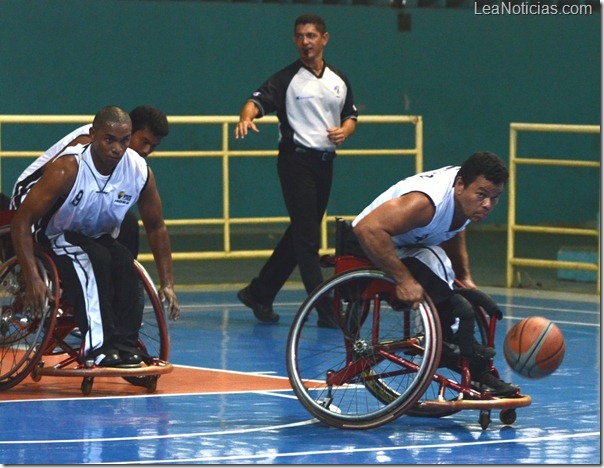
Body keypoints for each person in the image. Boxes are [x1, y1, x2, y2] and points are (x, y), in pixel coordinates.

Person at [11, 105, 179, 368]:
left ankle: (125, 343)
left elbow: (156, 226)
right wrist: (31, 275)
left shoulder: (138, 170)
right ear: (94, 135)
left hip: (87, 226)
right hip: (49, 224)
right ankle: (97, 347)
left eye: (123, 141)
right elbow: (22, 220)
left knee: (123, 260)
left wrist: (167, 282)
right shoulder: (69, 165)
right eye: (109, 140)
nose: (117, 148)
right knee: (93, 258)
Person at [350, 151, 519, 396]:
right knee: (439, 269)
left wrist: (466, 278)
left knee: (455, 284)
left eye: (495, 198)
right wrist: (404, 280)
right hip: (369, 246)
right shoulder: (426, 204)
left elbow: (451, 230)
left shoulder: (467, 201)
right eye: (482, 195)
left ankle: (466, 358)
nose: (488, 204)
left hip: (408, 246)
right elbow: (367, 229)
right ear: (460, 185)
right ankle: (453, 346)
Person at [234, 13, 358, 327]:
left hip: (325, 164)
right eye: (300, 36)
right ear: (295, 41)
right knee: (308, 240)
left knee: (300, 233)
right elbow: (255, 101)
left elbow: (350, 115)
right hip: (295, 162)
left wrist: (345, 130)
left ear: (324, 39)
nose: (306, 42)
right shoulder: (285, 79)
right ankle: (326, 310)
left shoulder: (338, 79)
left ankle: (259, 292)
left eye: (312, 36)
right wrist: (246, 117)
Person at [10, 105, 169, 258]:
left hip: (71, 205)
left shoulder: (132, 165)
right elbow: (51, 175)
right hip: (31, 193)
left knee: (127, 222)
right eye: (144, 142)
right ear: (130, 130)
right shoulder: (89, 145)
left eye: (153, 146)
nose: (146, 150)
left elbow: (156, 225)